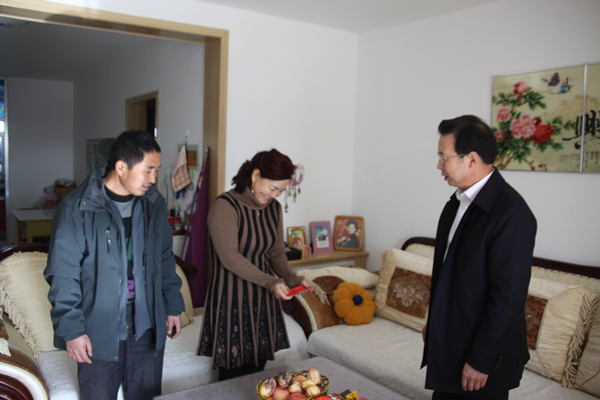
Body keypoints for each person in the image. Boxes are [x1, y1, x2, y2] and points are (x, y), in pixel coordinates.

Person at [44, 130, 185, 400]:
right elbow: (63, 275)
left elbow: (165, 260)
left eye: (156, 171)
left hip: (146, 324)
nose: (153, 179)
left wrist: (172, 306)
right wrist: (72, 331)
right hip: (98, 327)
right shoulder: (78, 207)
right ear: (121, 167)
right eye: (148, 170)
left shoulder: (153, 204)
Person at [421, 115, 537, 400]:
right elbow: (450, 273)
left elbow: (508, 298)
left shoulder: (512, 214)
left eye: (443, 157)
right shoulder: (457, 203)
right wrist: (434, 322)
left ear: (471, 159)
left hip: (484, 358)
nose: (439, 165)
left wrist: (482, 360)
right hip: (451, 343)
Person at [197, 148, 310, 381]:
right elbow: (229, 256)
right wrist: (271, 282)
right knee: (232, 376)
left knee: (258, 374)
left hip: (262, 300)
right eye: (273, 188)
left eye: (281, 191)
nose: (275, 195)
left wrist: (293, 279)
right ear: (256, 175)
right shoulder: (225, 206)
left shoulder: (274, 209)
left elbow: (276, 253)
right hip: (232, 298)